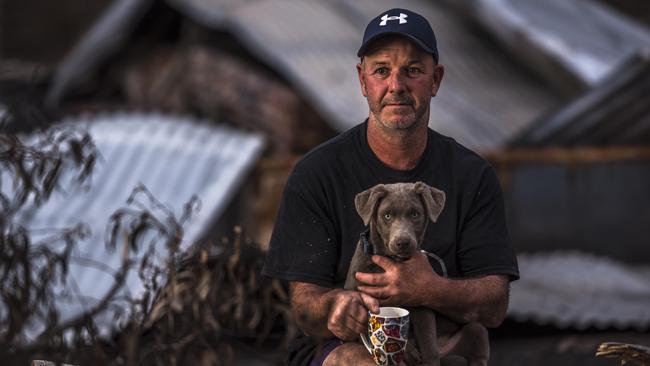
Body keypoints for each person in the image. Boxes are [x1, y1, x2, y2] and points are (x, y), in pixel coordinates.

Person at [262, 7, 519, 366]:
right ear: (363, 80)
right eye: (382, 70)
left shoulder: (471, 175)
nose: (396, 86)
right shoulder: (317, 172)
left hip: (437, 344)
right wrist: (336, 306)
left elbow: (494, 306)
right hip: (347, 349)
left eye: (413, 71)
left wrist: (430, 288)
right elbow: (305, 307)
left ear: (436, 79)